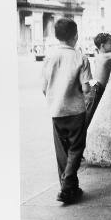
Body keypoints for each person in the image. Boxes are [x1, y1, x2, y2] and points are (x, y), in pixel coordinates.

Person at [42, 18, 92, 204]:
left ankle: (70, 189)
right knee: (76, 149)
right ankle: (67, 184)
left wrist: (54, 100)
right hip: (76, 111)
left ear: (57, 36)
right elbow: (86, 88)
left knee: (62, 152)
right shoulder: (81, 57)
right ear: (76, 36)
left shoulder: (50, 57)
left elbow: (44, 86)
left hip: (56, 111)